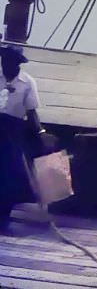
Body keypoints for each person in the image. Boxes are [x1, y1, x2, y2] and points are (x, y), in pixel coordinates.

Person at [0, 45, 45, 234]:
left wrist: (41, 133)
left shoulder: (27, 82)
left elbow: (31, 111)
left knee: (9, 175)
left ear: (17, 64)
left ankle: (3, 217)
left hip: (12, 130)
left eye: (10, 62)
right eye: (4, 61)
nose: (6, 65)